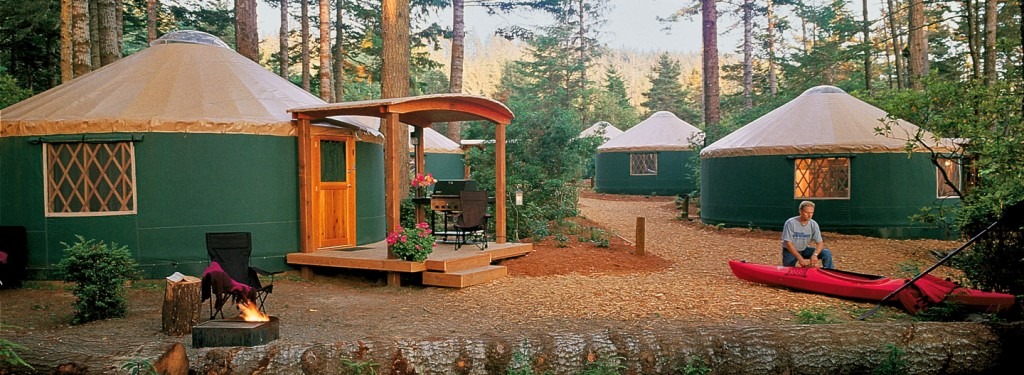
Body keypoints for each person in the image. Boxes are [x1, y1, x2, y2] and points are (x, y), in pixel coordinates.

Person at [781, 201, 834, 269]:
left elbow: (820, 243)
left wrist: (815, 255)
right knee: (788, 270)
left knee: (826, 253)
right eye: (807, 212)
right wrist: (800, 258)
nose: (809, 215)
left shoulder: (813, 224)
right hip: (790, 251)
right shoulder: (790, 223)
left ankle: (829, 272)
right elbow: (788, 243)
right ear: (800, 211)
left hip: (803, 249)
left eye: (811, 213)